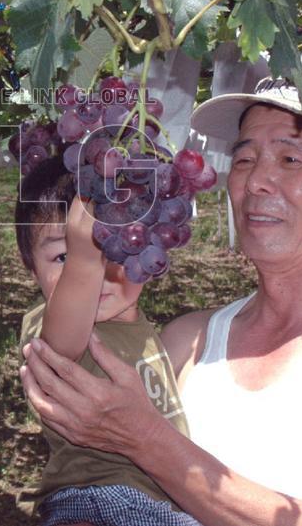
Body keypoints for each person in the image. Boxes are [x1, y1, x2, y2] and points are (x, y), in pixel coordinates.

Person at [20, 67, 302, 526]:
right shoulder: (183, 342)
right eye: (245, 159)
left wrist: (146, 439)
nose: (255, 182)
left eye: (291, 160)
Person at [14, 157, 198, 526]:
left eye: (113, 249)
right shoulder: (51, 323)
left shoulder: (143, 330)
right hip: (100, 499)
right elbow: (61, 347)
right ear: (31, 268)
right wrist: (84, 259)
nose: (96, 272)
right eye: (61, 257)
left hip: (162, 502)